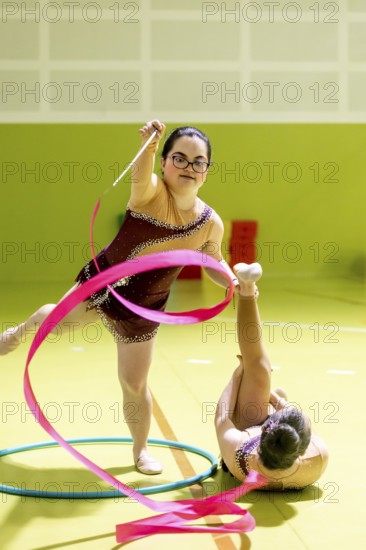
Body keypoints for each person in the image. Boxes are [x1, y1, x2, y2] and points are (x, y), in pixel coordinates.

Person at [1, 120, 238, 475]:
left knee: (134, 382)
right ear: (164, 162)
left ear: (207, 170)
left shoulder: (210, 223)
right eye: (179, 158)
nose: (189, 167)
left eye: (198, 162)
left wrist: (234, 282)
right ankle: (20, 332)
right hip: (104, 283)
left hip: (145, 307)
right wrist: (149, 144)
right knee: (55, 323)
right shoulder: (149, 193)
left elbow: (212, 260)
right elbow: (140, 174)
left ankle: (140, 451)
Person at [215, 262, 329, 490]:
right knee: (261, 375)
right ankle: (247, 289)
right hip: (269, 436)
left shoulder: (239, 448)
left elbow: (222, 417)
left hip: (247, 428)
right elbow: (299, 423)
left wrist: (239, 374)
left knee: (257, 368)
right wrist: (273, 398)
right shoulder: (317, 459)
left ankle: (247, 291)